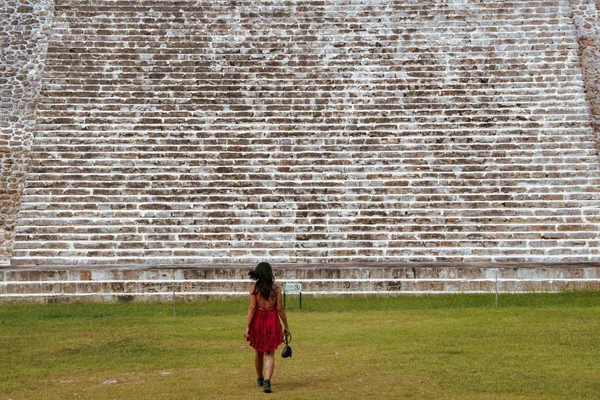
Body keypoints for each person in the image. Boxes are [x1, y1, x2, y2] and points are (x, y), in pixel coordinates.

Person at [244, 262, 290, 394]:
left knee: (258, 351)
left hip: (258, 319)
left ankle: (260, 378)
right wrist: (286, 326)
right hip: (272, 320)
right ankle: (267, 381)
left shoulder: (254, 288)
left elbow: (252, 308)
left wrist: (247, 326)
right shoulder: (276, 289)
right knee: (269, 353)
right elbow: (280, 309)